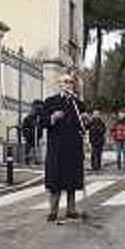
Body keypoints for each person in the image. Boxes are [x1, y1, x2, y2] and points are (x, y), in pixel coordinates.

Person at [43, 74, 87, 223]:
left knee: (71, 178)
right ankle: (53, 210)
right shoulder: (50, 102)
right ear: (59, 84)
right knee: (55, 179)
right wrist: (53, 118)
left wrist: (86, 121)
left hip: (73, 147)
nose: (69, 85)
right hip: (57, 147)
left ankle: (71, 209)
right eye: (65, 82)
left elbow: (83, 126)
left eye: (71, 82)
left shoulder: (78, 104)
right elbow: (43, 122)